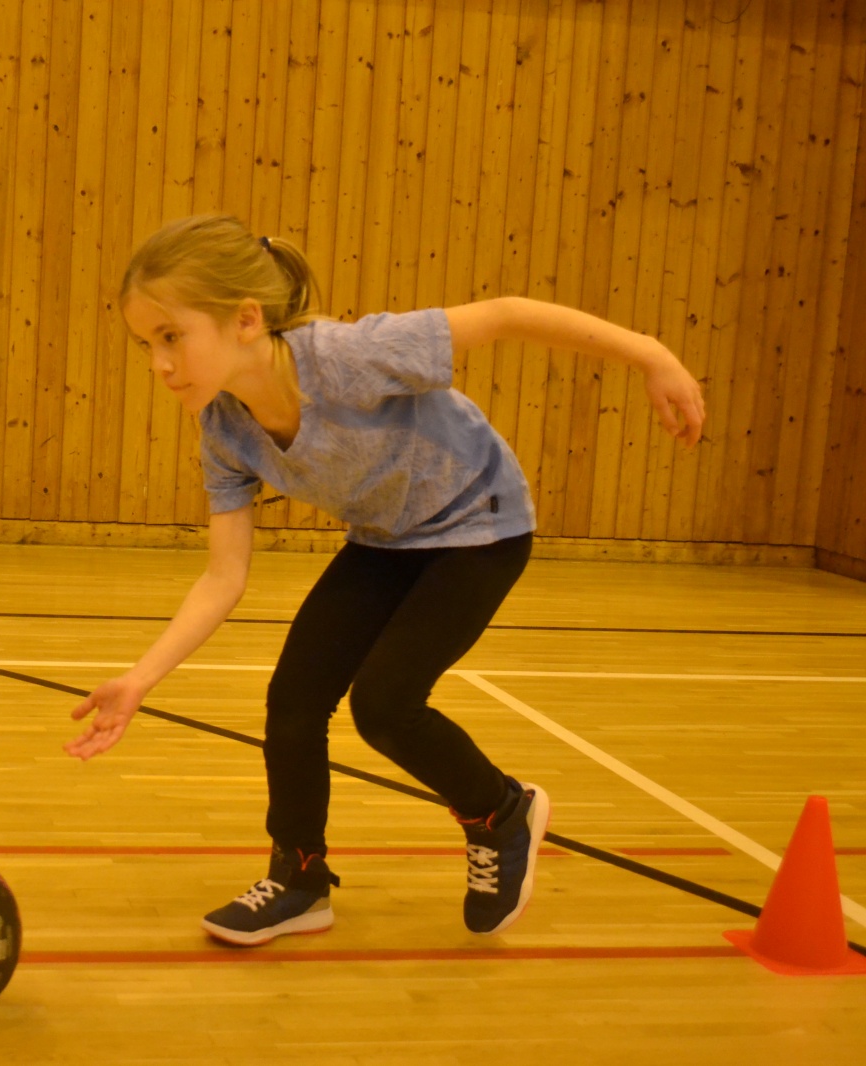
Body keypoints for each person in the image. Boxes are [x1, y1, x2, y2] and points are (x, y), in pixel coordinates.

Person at [63, 214, 705, 946]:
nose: (159, 363)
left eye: (171, 336)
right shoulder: (225, 428)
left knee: (386, 703)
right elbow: (223, 575)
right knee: (294, 702)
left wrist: (652, 355)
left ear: (245, 320)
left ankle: (500, 812)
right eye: (146, 345)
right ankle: (300, 879)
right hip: (388, 538)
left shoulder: (348, 356)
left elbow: (506, 315)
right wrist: (140, 678)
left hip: (482, 526)